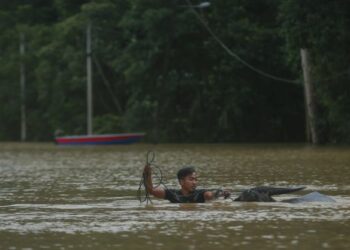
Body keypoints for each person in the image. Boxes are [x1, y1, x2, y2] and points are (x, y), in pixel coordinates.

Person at [143, 164, 230, 203]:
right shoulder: (172, 194)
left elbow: (210, 195)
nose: (195, 182)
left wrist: (220, 193)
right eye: (191, 179)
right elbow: (151, 191)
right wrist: (147, 173)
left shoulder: (200, 194)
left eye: (196, 179)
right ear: (181, 181)